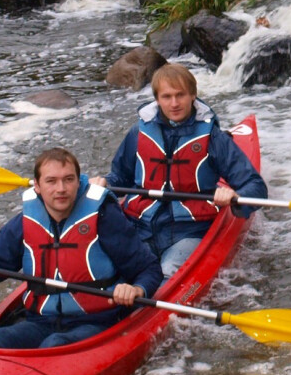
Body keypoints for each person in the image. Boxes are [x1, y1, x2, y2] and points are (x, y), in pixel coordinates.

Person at [0, 147, 163, 349]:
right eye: (51, 181)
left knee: (54, 344)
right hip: (40, 321)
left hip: (95, 322)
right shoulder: (25, 223)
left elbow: (149, 269)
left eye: (68, 179)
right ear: (37, 186)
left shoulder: (104, 217)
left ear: (78, 182)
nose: (61, 189)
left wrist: (135, 289)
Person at [103, 64, 267, 277]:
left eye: (180, 95)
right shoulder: (138, 133)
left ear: (193, 95)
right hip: (139, 226)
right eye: (167, 96)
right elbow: (120, 178)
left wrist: (235, 197)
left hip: (189, 230)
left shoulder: (213, 138)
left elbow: (255, 186)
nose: (174, 103)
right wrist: (104, 184)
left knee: (167, 272)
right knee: (109, 269)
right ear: (157, 99)